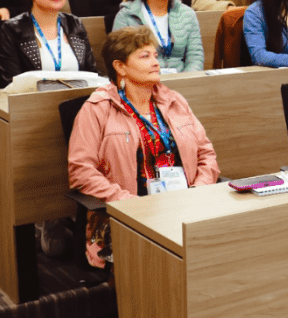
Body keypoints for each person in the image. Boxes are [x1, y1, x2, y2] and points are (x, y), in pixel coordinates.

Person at [68, 25, 220, 268]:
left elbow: (206, 154)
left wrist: (198, 191)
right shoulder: (97, 109)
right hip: (130, 215)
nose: (155, 62)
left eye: (155, 56)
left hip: (185, 207)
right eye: (144, 56)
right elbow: (81, 172)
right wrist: (128, 202)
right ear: (120, 67)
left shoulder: (174, 101)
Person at [0, 0, 97, 85]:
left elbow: (91, 74)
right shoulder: (14, 28)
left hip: (76, 99)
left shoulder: (74, 23)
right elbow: (12, 82)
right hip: (34, 101)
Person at [113, 0, 204, 72]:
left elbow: (195, 56)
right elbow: (121, 59)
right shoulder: (126, 16)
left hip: (182, 82)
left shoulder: (187, 14)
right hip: (143, 83)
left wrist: (186, 82)